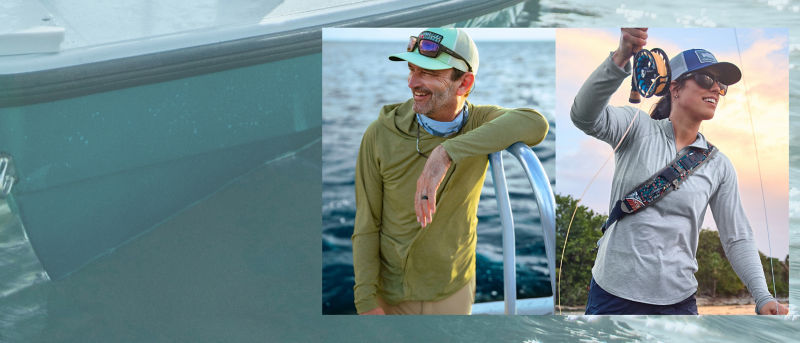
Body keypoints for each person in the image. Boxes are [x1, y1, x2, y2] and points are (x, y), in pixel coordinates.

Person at [571, 28, 787, 315]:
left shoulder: (720, 165)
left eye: (720, 85)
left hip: (679, 303)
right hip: (612, 295)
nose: (715, 89)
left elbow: (737, 236)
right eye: (706, 78)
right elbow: (583, 116)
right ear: (674, 88)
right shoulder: (635, 126)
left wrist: (763, 297)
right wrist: (621, 56)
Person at [351, 28, 549, 315]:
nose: (412, 83)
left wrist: (445, 152)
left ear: (464, 83)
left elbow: (535, 123)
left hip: (455, 289)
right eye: (412, 69)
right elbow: (366, 225)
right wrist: (366, 302)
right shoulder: (380, 133)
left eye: (429, 73)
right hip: (391, 295)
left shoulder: (480, 122)